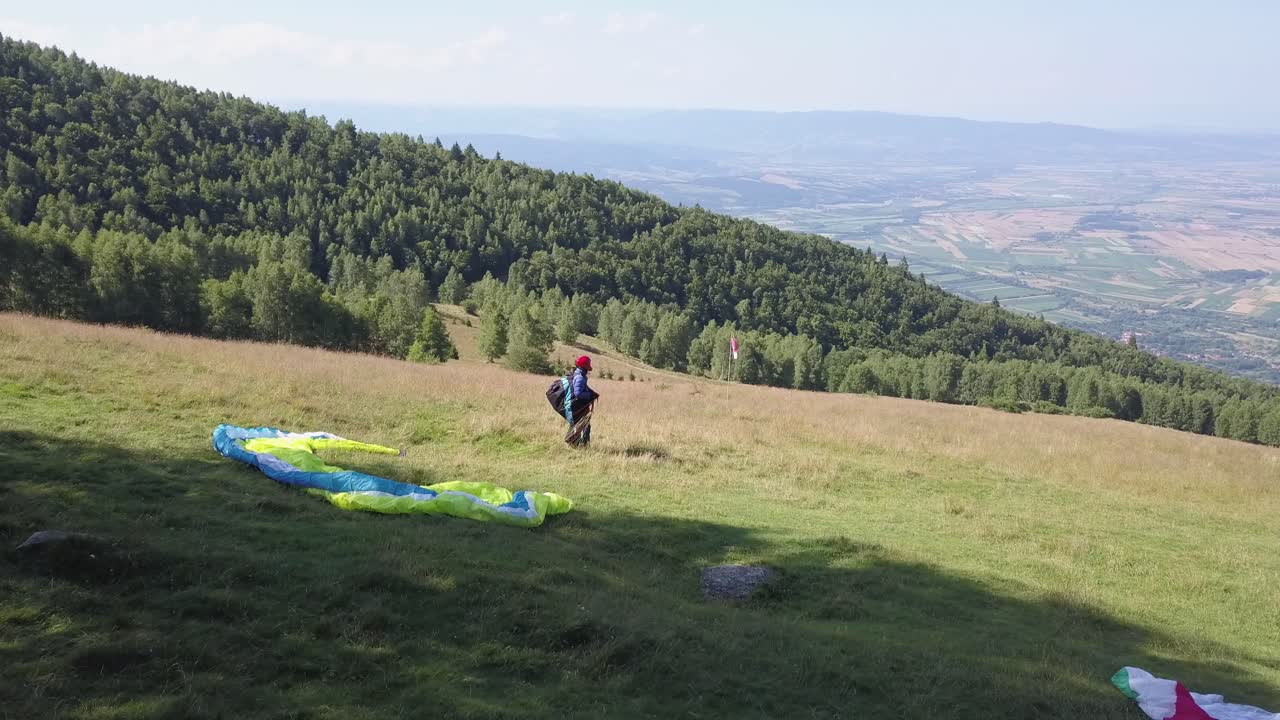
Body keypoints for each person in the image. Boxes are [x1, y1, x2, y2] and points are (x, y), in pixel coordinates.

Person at [566, 355, 599, 446]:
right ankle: (580, 445)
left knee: (580, 425)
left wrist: (592, 392)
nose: (588, 370)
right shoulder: (580, 377)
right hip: (577, 406)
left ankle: (577, 444)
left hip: (576, 405)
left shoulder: (578, 375)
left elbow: (582, 388)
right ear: (584, 367)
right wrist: (590, 395)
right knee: (582, 425)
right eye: (587, 368)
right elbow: (578, 393)